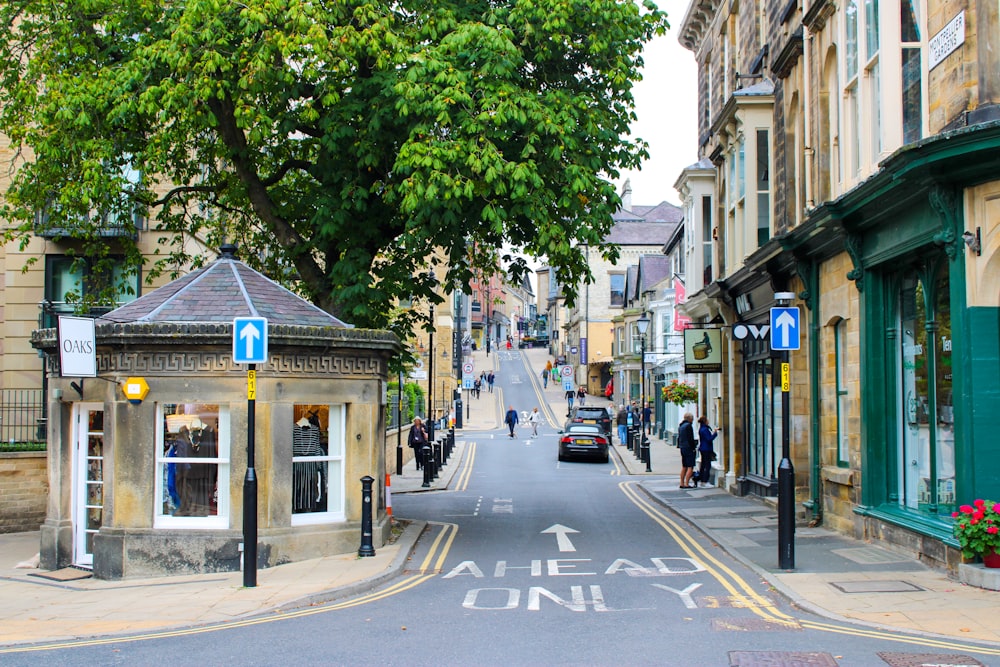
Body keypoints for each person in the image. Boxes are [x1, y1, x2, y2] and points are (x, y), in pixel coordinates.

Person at [696, 416, 719, 488]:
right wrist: (715, 433)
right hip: (706, 449)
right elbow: (709, 439)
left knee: (703, 465)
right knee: (707, 465)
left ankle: (702, 480)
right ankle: (705, 481)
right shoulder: (705, 429)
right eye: (707, 420)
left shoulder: (702, 428)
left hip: (703, 448)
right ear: (705, 421)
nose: (708, 421)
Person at [677, 412, 697, 489]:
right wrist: (693, 447)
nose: (692, 420)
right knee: (690, 466)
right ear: (689, 419)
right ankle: (687, 483)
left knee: (684, 466)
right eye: (692, 419)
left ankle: (682, 483)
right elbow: (690, 438)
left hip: (682, 447)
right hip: (688, 448)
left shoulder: (681, 426)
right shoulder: (688, 426)